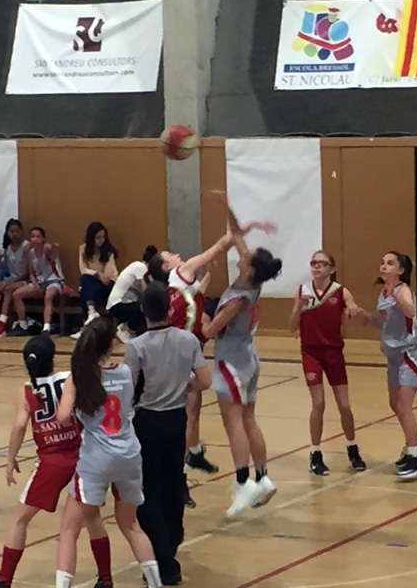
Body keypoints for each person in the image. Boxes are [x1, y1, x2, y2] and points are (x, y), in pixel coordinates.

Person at [30, 317, 170, 588]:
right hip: (129, 453)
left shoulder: (80, 378)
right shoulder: (126, 372)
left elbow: (63, 417)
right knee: (130, 524)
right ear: (111, 344)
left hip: (97, 458)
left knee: (69, 530)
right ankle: (157, 587)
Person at [147, 203, 274, 506]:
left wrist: (237, 220)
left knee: (211, 417)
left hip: (214, 354)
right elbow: (226, 243)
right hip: (216, 354)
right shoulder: (186, 273)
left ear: (250, 268)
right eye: (170, 254)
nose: (176, 253)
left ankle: (225, 476)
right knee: (200, 414)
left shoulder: (235, 291)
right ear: (166, 267)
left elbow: (229, 241)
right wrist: (242, 221)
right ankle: (252, 475)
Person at [0, 335, 114, 588]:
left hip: (51, 461)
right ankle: (106, 581)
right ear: (52, 359)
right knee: (92, 518)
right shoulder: (69, 379)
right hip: (81, 456)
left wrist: (10, 459)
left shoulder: (26, 390)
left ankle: (2, 584)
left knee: (19, 519)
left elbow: (19, 426)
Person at [125, 282, 211, 585]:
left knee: (149, 491)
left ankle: (164, 559)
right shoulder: (188, 339)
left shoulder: (137, 346)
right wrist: (184, 386)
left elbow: (129, 386)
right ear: (170, 309)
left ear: (143, 311)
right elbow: (205, 380)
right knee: (173, 485)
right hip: (177, 421)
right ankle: (171, 543)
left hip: (148, 421)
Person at [203, 197, 283, 517]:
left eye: (247, 256)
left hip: (231, 363)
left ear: (250, 269)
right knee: (249, 419)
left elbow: (210, 331)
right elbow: (236, 234)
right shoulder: (251, 278)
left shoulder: (238, 298)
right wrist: (225, 205)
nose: (243, 253)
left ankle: (242, 483)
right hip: (248, 358)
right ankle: (262, 478)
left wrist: (194, 305)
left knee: (233, 422)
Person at [290, 250, 366, 475]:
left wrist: (352, 309)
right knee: (319, 403)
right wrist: (298, 307)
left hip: (333, 353)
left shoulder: (340, 291)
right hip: (311, 353)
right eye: (313, 263)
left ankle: (352, 448)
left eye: (321, 263)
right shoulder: (303, 291)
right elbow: (292, 326)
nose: (316, 267)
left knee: (344, 405)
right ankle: (315, 453)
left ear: (331, 269)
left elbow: (352, 306)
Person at [366, 252, 417, 479]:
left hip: (409, 353)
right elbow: (386, 324)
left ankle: (413, 455)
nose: (384, 266)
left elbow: (410, 312)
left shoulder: (402, 290)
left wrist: (394, 292)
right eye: (382, 262)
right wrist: (367, 318)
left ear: (400, 270)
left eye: (390, 263)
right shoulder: (383, 293)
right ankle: (416, 444)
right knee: (394, 403)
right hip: (392, 355)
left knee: (404, 405)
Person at [10, 227, 67, 337]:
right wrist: (36, 285)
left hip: (53, 280)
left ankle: (46, 328)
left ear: (43, 239)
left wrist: (53, 246)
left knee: (48, 296)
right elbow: (31, 273)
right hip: (40, 281)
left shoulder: (47, 250)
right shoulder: (30, 253)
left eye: (38, 236)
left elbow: (52, 248)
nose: (35, 239)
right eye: (33, 236)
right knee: (16, 294)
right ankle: (22, 324)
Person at [0, 219, 32, 338]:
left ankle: (2, 322)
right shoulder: (7, 248)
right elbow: (7, 270)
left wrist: (11, 282)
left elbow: (27, 272)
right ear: (7, 233)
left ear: (21, 231)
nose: (14, 234)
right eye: (11, 231)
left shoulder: (26, 247)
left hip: (24, 280)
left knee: (8, 289)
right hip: (11, 278)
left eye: (17, 231)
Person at [108, 245, 158, 343]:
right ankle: (125, 328)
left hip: (127, 302)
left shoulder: (145, 271)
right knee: (144, 308)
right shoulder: (140, 267)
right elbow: (146, 291)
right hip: (117, 303)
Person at [76, 221, 118, 334]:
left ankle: (88, 321)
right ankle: (91, 312)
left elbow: (108, 276)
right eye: (98, 237)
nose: (101, 240)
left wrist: (98, 275)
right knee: (85, 280)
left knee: (85, 289)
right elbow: (83, 269)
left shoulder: (108, 250)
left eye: (103, 237)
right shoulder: (83, 249)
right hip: (92, 280)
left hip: (109, 283)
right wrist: (97, 274)